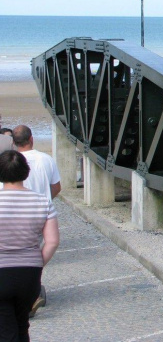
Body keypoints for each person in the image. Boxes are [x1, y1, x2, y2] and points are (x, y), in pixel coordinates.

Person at [0, 150, 59, 341]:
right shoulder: (42, 202)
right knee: (22, 325)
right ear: (26, 172)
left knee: (6, 330)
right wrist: (37, 262)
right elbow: (52, 242)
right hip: (30, 272)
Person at [12, 125, 62, 317]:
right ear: (31, 139)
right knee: (38, 252)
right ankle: (31, 290)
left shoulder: (12, 161)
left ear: (14, 143)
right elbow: (56, 187)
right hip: (42, 214)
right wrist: (45, 201)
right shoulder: (46, 159)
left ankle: (24, 292)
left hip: (16, 214)